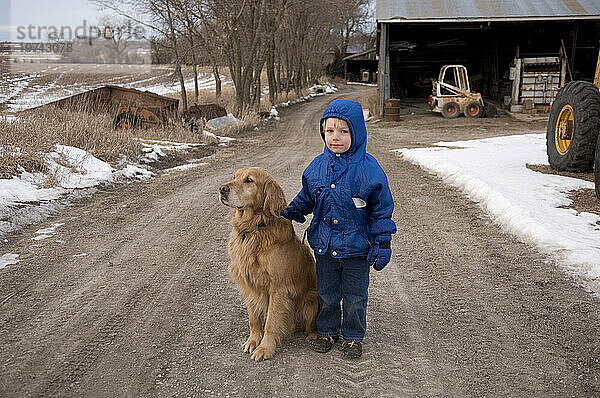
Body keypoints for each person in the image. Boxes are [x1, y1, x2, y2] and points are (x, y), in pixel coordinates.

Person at [280, 98, 396, 358]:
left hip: (357, 249)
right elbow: (307, 197)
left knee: (355, 296)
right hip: (325, 246)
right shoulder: (317, 167)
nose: (335, 137)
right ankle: (327, 331)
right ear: (323, 132)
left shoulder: (369, 170)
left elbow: (381, 210)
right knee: (327, 294)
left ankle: (353, 336)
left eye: (344, 131)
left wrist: (383, 242)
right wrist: (290, 211)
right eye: (330, 131)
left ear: (356, 133)